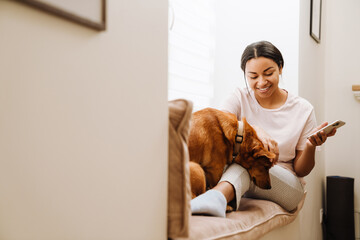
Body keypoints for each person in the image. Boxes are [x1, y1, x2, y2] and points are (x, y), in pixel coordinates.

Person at [190, 40, 336, 218]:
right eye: (253, 76)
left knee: (252, 160)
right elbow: (216, 126)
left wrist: (311, 145)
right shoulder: (239, 97)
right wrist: (255, 130)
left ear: (280, 68)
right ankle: (210, 197)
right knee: (241, 160)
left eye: (268, 73)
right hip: (240, 176)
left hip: (285, 184)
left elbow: (301, 170)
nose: (261, 82)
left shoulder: (303, 109)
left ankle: (215, 198)